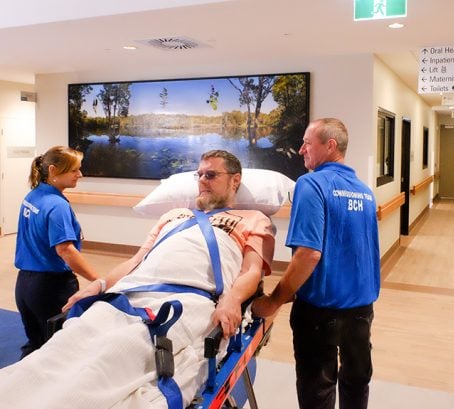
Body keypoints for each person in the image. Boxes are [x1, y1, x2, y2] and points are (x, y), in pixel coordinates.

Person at [0, 149, 275, 409]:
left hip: (188, 300)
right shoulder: (174, 216)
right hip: (131, 293)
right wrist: (101, 285)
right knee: (66, 346)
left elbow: (251, 271)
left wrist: (232, 300)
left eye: (211, 175)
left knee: (113, 356)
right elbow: (136, 261)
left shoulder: (252, 219)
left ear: (235, 180)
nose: (202, 180)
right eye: (199, 174)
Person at [252, 118, 380, 409]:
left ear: (330, 145)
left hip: (321, 315)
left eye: (308, 143)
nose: (300, 150)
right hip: (361, 311)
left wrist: (273, 300)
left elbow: (308, 254)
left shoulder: (310, 185)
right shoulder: (364, 192)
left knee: (317, 390)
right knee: (356, 380)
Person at [14, 145, 100, 358]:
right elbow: (66, 251)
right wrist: (98, 280)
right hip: (51, 288)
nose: (80, 174)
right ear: (53, 170)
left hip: (25, 286)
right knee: (61, 352)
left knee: (36, 346)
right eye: (74, 170)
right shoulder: (56, 206)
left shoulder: (33, 196)